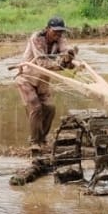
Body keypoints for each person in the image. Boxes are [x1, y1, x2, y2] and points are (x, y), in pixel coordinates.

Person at [14, 15, 75, 150]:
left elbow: (66, 49)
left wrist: (70, 56)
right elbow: (41, 62)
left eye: (60, 32)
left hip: (42, 80)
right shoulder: (37, 38)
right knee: (36, 107)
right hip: (26, 77)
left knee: (50, 108)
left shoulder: (59, 39)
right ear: (48, 29)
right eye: (55, 31)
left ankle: (42, 139)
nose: (58, 35)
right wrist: (62, 64)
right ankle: (34, 142)